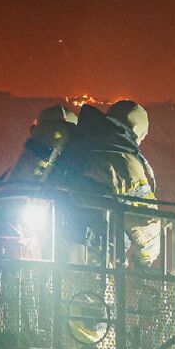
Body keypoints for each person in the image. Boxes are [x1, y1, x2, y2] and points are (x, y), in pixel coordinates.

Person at [50, 100, 161, 267]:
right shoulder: (125, 162)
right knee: (88, 293)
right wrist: (146, 257)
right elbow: (144, 222)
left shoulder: (77, 144)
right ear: (137, 133)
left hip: (54, 246)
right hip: (94, 257)